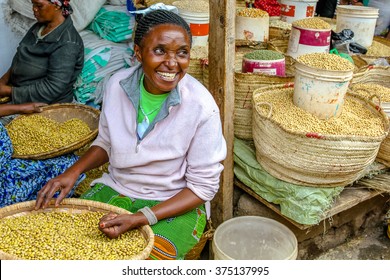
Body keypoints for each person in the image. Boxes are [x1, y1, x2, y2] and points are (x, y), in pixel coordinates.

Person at [35, 9, 227, 260]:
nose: (172, 63)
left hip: (173, 202)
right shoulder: (116, 85)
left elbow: (202, 188)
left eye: (182, 52)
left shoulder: (201, 107)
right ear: (138, 53)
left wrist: (140, 218)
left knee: (141, 260)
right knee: (66, 245)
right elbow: (106, 143)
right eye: (159, 51)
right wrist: (73, 172)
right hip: (118, 187)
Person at [0, 102, 84, 208]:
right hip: (4, 182)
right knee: (66, 165)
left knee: (69, 162)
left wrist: (19, 108)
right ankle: (38, 209)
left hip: (7, 161)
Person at [0, 0, 84, 105]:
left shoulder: (68, 43)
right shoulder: (40, 27)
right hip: (18, 91)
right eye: (33, 4)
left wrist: (9, 91)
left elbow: (52, 88)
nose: (34, 9)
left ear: (57, 6)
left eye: (39, 5)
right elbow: (20, 57)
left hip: (45, 104)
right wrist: (2, 81)